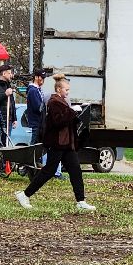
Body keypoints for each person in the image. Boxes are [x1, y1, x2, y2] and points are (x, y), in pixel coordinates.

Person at [15, 73, 96, 212]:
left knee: (75, 171)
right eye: (66, 89)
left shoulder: (60, 101)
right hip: (57, 143)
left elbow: (66, 120)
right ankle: (25, 194)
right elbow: (59, 121)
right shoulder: (53, 102)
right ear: (59, 89)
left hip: (66, 144)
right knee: (49, 171)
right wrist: (72, 112)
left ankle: (81, 201)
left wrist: (76, 114)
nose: (68, 92)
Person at [22, 69, 48, 140]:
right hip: (36, 122)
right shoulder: (33, 90)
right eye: (41, 77)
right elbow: (38, 107)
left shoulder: (37, 89)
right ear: (36, 77)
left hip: (39, 122)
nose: (43, 80)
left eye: (44, 78)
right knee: (35, 143)